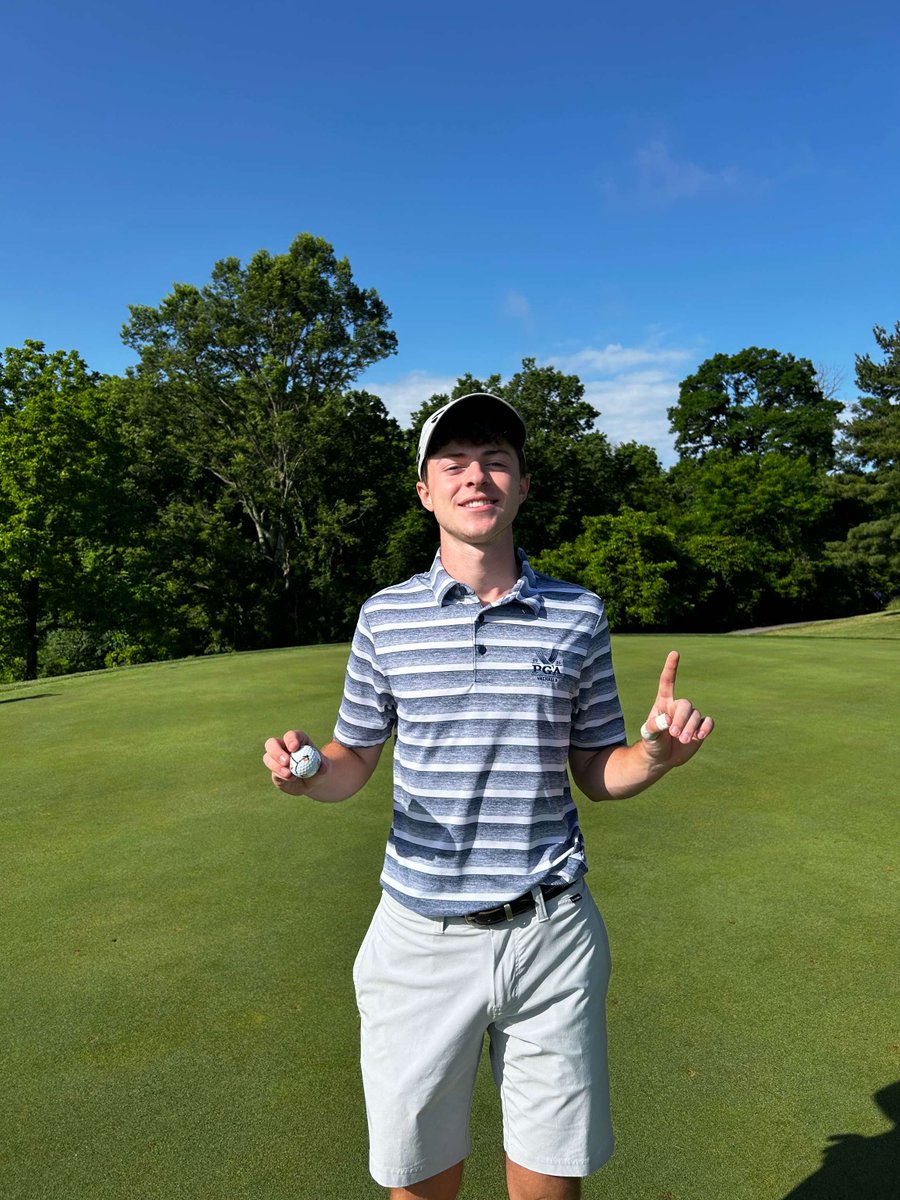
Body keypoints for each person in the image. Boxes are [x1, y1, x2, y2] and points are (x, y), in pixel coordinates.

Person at [263, 393, 714, 1200]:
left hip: (552, 936)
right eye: (455, 463)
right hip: (420, 938)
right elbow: (352, 758)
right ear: (425, 492)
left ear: (523, 486)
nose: (477, 477)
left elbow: (596, 769)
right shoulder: (386, 618)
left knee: (550, 1183)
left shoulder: (577, 615)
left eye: (497, 461)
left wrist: (654, 758)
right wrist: (306, 772)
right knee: (419, 1183)